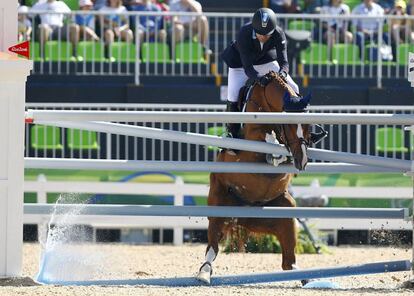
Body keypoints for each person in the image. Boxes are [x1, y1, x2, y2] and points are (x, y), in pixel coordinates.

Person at [221, 8, 300, 138]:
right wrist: (260, 79)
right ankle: (231, 132)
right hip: (240, 65)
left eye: (267, 34)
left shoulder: (279, 33)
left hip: (266, 62)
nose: (263, 37)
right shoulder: (244, 33)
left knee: (294, 87)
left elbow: (284, 63)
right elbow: (248, 68)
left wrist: (283, 74)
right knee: (233, 95)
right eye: (259, 34)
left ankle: (299, 129)